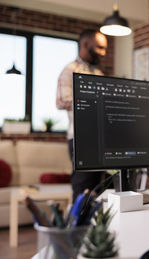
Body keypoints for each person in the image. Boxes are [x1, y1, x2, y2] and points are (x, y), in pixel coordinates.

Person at [56, 29, 108, 202]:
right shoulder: (70, 70)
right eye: (100, 47)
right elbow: (62, 101)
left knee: (99, 188)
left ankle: (96, 229)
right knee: (82, 187)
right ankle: (77, 228)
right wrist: (93, 101)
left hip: (100, 139)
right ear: (85, 44)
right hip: (80, 139)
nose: (104, 53)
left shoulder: (98, 73)